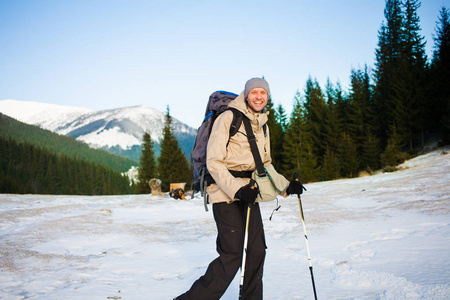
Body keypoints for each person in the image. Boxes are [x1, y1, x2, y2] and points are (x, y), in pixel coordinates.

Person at [174, 78, 304, 300]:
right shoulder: (228, 118)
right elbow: (214, 161)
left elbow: (265, 164)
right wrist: (237, 190)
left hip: (250, 191)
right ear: (246, 94)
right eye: (254, 92)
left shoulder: (262, 124)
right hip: (224, 192)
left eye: (263, 92)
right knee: (232, 254)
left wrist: (286, 187)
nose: (259, 96)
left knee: (256, 252)